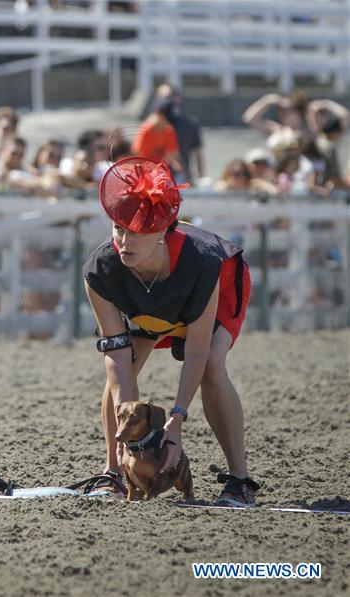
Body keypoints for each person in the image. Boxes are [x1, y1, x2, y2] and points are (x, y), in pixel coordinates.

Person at [82, 156, 259, 507]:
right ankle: (113, 472)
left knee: (211, 363)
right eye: (118, 228)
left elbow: (194, 353)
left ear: (162, 232)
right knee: (125, 369)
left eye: (136, 231)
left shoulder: (202, 263)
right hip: (149, 299)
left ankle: (240, 481)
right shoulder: (101, 269)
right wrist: (127, 430)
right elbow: (116, 359)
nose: (124, 240)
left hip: (217, 290)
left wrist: (175, 422)